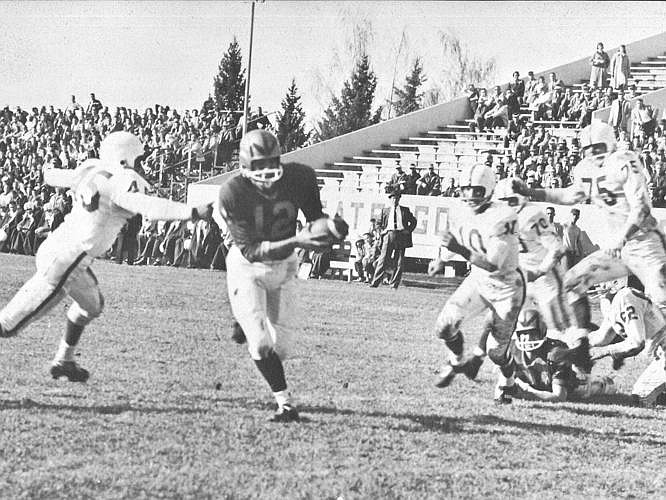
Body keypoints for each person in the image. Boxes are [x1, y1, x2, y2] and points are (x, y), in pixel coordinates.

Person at [0, 132, 210, 382]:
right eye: (137, 158)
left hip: (60, 250)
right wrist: (192, 211)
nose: (140, 164)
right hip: (68, 260)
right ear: (125, 158)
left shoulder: (91, 167)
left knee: (92, 306)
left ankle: (64, 360)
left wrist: (45, 172)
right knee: (9, 323)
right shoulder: (123, 179)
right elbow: (149, 207)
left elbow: (52, 175)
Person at [217, 129, 348, 422]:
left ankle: (244, 318)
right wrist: (298, 241)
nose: (266, 170)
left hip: (285, 266)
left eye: (271, 162)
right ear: (244, 166)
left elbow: (315, 217)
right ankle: (285, 403)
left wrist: (331, 228)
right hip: (247, 268)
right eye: (258, 164)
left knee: (282, 348)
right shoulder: (233, 192)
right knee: (261, 344)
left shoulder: (299, 177)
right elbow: (251, 250)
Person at [513, 120, 666, 355]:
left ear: (610, 144)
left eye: (599, 147)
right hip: (620, 251)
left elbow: (642, 208)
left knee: (662, 303)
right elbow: (570, 195)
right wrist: (532, 192)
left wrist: (622, 237)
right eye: (589, 149)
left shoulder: (624, 160)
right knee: (570, 282)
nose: (594, 153)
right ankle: (578, 344)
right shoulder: (585, 170)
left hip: (646, 245)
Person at [428, 163, 524, 404]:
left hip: (506, 287)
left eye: (477, 191)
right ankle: (457, 360)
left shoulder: (504, 216)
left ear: (489, 190)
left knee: (496, 353)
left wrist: (458, 250)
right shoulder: (462, 213)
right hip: (479, 282)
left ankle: (508, 383)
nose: (470, 196)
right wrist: (441, 259)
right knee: (444, 326)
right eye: (466, 190)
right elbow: (457, 237)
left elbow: (493, 264)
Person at [511, 303, 616, 402]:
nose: (528, 339)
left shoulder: (555, 354)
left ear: (542, 331)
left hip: (570, 384)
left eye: (532, 333)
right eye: (524, 334)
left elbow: (559, 396)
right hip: (541, 384)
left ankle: (603, 383)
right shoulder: (513, 351)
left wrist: (528, 392)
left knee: (582, 390)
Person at [590, 286, 666, 407]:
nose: (598, 285)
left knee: (641, 397)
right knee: (656, 396)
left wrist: (605, 351)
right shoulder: (616, 300)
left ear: (615, 282)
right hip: (661, 353)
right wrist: (576, 343)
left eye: (603, 282)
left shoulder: (625, 297)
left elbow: (636, 343)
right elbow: (602, 337)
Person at [369, 189, 417, 289]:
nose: (395, 200)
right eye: (393, 198)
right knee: (383, 260)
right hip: (389, 235)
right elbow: (378, 224)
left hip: (401, 235)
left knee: (399, 261)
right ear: (390, 199)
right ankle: (375, 282)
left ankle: (394, 284)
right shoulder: (385, 210)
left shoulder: (405, 210)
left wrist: (408, 230)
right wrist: (382, 231)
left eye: (397, 198)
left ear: (399, 199)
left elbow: (413, 221)